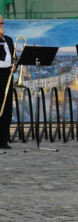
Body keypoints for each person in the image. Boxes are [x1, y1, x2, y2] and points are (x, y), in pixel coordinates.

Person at [0, 15, 15, 149]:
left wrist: (14, 65)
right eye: (0, 24)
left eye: (2, 23)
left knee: (7, 108)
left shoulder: (9, 40)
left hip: (7, 76)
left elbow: (13, 58)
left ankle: (4, 139)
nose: (2, 26)